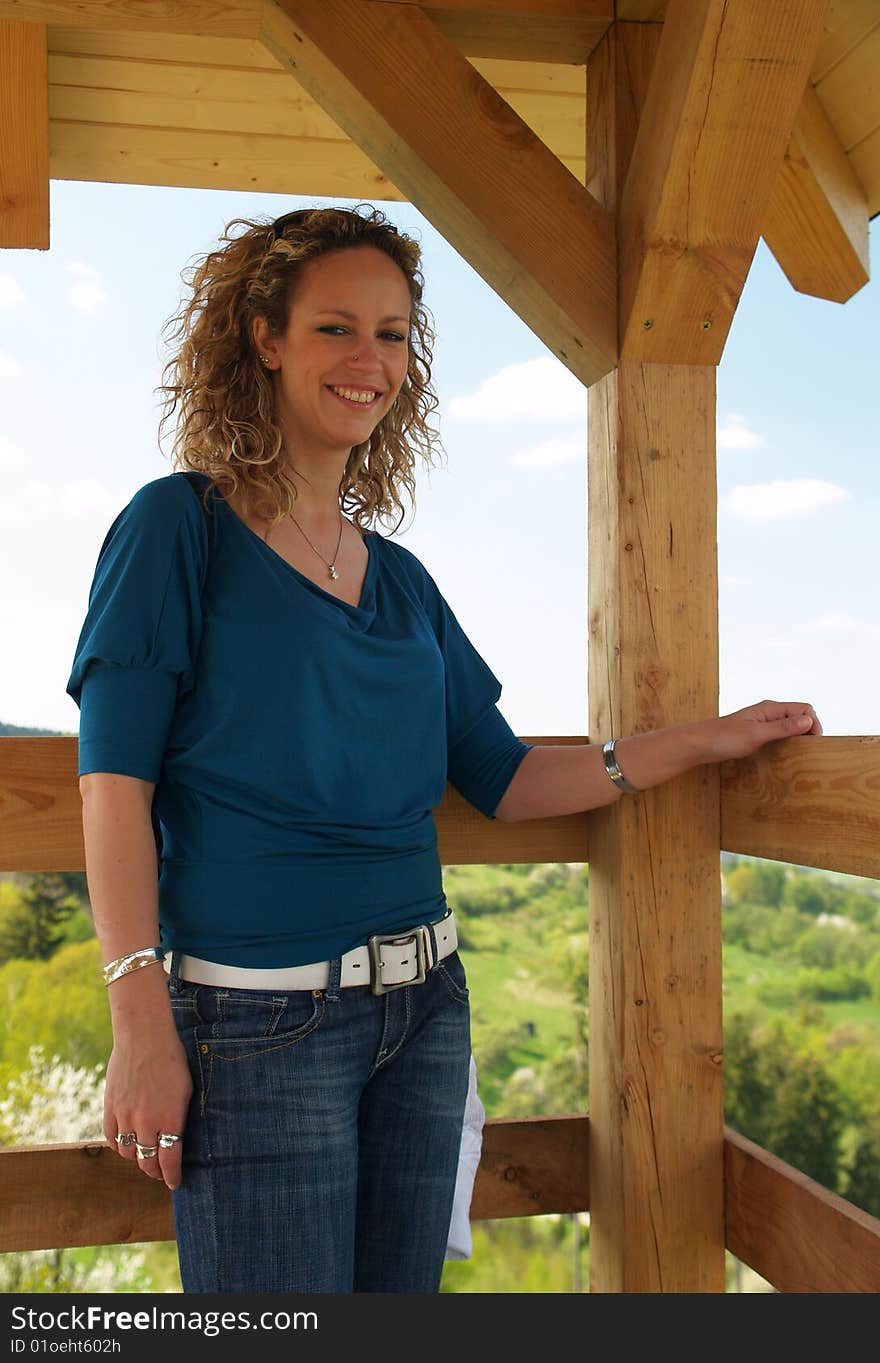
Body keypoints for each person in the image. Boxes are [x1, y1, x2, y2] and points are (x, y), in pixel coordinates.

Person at [66, 203, 822, 1295]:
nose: (369, 359)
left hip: (423, 1011)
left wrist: (700, 741)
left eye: (393, 333)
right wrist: (138, 1013)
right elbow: (112, 783)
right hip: (256, 1023)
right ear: (265, 338)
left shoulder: (402, 581)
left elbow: (506, 776)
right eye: (336, 327)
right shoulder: (174, 529)